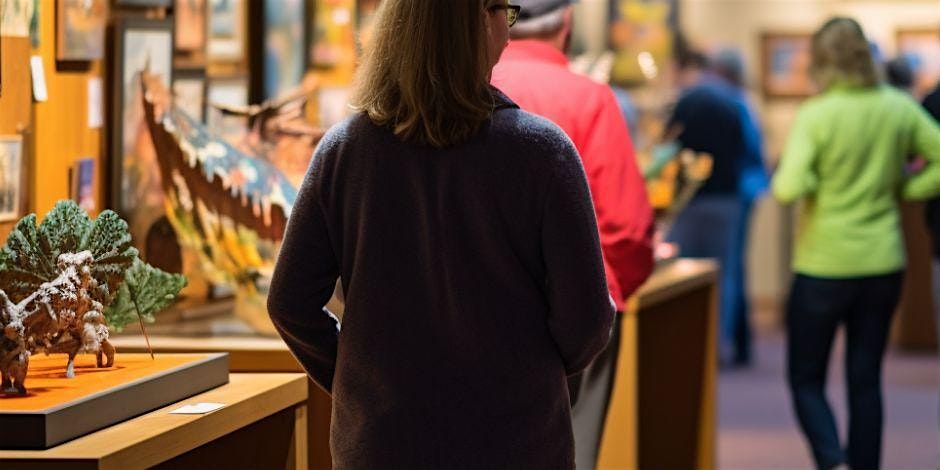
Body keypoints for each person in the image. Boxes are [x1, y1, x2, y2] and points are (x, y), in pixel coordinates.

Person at [267, 1, 615, 468]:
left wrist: (360, 381)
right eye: (501, 12)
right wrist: (530, 377)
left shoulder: (344, 153)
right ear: (472, 23)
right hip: (515, 443)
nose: (509, 35)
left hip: (382, 445)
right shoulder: (543, 153)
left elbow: (290, 302)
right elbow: (588, 320)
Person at [490, 1, 654, 467]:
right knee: (573, 452)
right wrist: (609, 290)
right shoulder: (590, 98)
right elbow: (625, 227)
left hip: (476, 309)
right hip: (576, 308)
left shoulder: (463, 88)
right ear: (567, 24)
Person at [772, 17, 940, 470]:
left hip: (823, 264)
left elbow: (787, 188)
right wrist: (907, 189)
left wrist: (814, 177)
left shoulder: (817, 114)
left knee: (806, 378)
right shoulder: (897, 107)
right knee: (865, 381)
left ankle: (832, 461)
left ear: (823, 61)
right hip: (883, 261)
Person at [665, 47, 760, 366]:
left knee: (681, 273)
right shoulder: (737, 104)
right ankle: (717, 346)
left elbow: (668, 147)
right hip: (728, 199)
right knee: (727, 274)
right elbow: (749, 152)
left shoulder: (687, 100)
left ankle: (683, 342)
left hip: (689, 200)